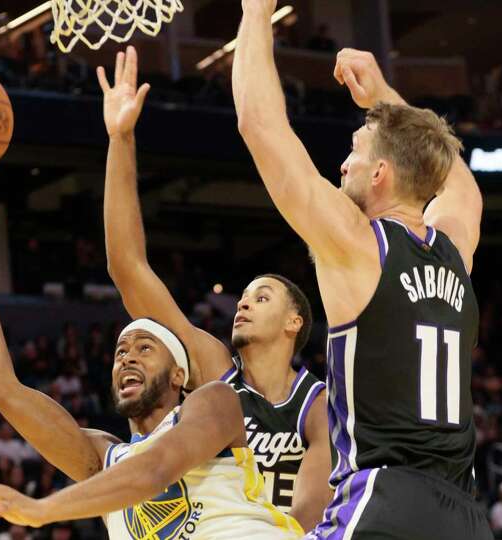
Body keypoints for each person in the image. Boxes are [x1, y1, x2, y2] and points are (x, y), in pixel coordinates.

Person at [232, 3, 487, 538]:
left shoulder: (358, 244)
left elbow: (259, 125)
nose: (342, 164)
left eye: (353, 151)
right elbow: (458, 180)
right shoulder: (455, 248)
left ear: (380, 173)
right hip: (464, 514)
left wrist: (255, 11)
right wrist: (383, 100)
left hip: (383, 500)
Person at [0, 171, 303, 538]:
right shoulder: (105, 461)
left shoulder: (217, 401)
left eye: (145, 348)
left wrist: (43, 509)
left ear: (178, 375)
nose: (127, 358)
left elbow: (157, 470)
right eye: (120, 352)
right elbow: (1, 388)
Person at [99, 46, 330, 528]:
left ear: (295, 322)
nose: (243, 303)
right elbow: (129, 270)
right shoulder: (215, 373)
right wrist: (120, 138)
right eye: (243, 297)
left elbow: (313, 508)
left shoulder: (317, 403)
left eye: (261, 297)